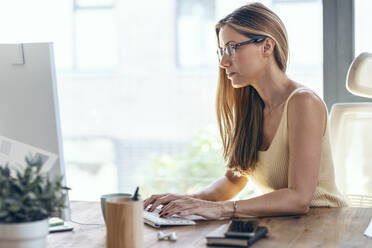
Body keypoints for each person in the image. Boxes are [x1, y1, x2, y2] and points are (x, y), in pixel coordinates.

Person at [144, 2, 348, 220]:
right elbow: (233, 181)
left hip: (324, 227)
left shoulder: (303, 102)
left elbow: (298, 199)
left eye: (232, 48)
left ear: (267, 47)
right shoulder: (250, 107)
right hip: (284, 227)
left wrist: (222, 209)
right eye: (222, 51)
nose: (223, 62)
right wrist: (185, 202)